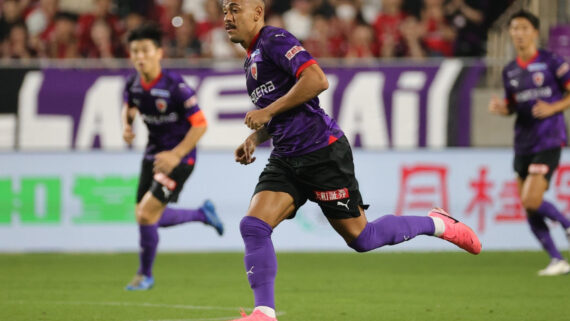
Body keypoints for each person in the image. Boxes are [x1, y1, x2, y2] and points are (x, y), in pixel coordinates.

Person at [222, 1, 481, 320]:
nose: (227, 17)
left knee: (362, 238)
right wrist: (254, 138)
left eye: (235, 9)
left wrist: (267, 112)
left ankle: (438, 224)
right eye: (223, 11)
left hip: (321, 152)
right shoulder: (250, 62)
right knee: (254, 225)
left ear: (257, 13)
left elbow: (317, 80)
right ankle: (264, 313)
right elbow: (276, 115)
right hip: (287, 157)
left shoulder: (275, 40)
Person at [122, 24, 224, 291]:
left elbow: (200, 124)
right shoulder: (133, 83)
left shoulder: (175, 86)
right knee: (144, 216)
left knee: (146, 214)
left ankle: (145, 275)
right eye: (134, 51)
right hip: (152, 155)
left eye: (145, 50)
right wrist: (127, 126)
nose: (139, 57)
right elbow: (130, 106)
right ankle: (202, 214)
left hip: (181, 159)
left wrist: (176, 155)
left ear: (159, 53)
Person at [488, 10, 570, 276]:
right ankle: (557, 259)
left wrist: (553, 107)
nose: (518, 33)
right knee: (527, 204)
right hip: (522, 143)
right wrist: (501, 108)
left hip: (549, 139)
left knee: (532, 200)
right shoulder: (510, 70)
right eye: (514, 28)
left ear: (534, 32)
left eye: (524, 28)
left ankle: (566, 224)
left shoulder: (552, 61)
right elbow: (513, 106)